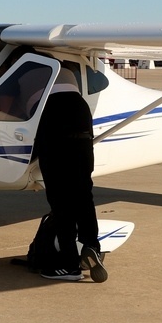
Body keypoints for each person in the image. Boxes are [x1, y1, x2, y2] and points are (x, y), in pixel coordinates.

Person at [33, 64, 105, 282]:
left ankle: (69, 265)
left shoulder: (20, 70)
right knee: (83, 193)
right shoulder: (62, 67)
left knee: (61, 201)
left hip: (52, 114)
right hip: (80, 112)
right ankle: (92, 245)